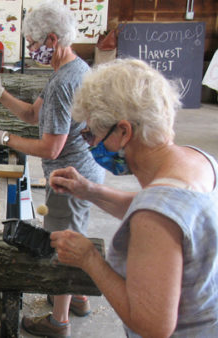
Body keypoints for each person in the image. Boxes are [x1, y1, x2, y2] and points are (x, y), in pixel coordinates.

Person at [49, 58, 218, 337]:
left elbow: (153, 326)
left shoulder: (154, 216)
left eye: (92, 134)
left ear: (124, 131)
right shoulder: (198, 161)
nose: (91, 144)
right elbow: (167, 214)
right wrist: (89, 190)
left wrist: (90, 259)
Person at [0, 2, 105, 336]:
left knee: (63, 247)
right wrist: (1, 94)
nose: (30, 50)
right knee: (76, 237)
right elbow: (32, 114)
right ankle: (78, 300)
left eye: (33, 43)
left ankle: (59, 322)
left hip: (69, 179)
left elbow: (50, 147)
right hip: (81, 172)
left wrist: (1, 137)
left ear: (52, 39)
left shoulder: (61, 83)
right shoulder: (69, 69)